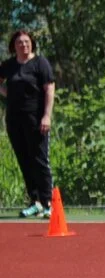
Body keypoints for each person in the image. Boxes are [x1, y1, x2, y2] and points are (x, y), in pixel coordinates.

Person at [0, 30, 55, 218]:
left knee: (39, 160)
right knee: (24, 160)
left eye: (26, 42)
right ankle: (35, 202)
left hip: (36, 119)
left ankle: (48, 203)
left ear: (31, 43)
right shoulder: (9, 66)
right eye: (19, 42)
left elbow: (49, 88)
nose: (24, 45)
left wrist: (47, 116)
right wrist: (10, 95)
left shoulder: (40, 63)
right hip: (14, 120)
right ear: (13, 46)